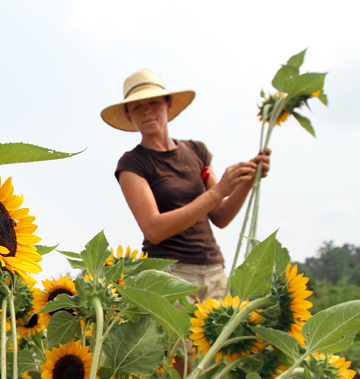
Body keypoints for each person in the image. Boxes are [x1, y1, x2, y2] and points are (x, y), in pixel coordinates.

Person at [101, 69, 270, 303]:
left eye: (154, 102)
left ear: (168, 105)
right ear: (129, 115)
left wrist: (245, 182)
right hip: (171, 275)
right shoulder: (133, 163)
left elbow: (220, 216)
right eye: (137, 106)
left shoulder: (197, 151)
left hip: (214, 271)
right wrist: (220, 190)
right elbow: (154, 229)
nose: (147, 110)